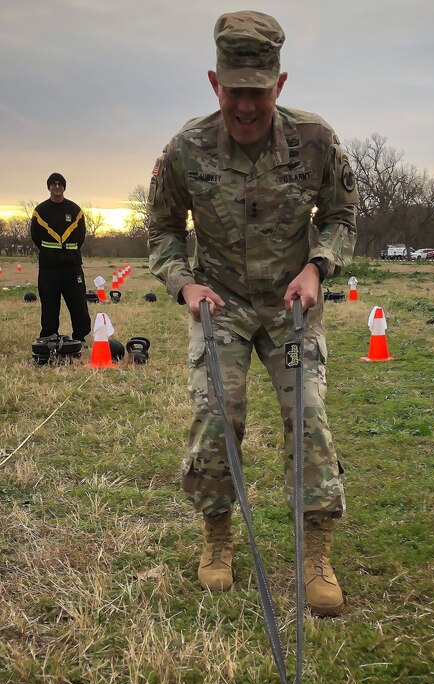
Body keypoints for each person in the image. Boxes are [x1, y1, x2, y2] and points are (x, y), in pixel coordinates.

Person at [148, 10, 358, 617]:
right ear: (214, 83)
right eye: (235, 91)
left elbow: (345, 216)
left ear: (280, 84)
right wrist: (185, 285)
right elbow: (160, 229)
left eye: (258, 93)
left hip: (292, 303)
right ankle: (217, 536)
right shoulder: (185, 149)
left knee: (308, 419)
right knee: (217, 416)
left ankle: (316, 549)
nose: (246, 106)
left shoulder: (315, 139)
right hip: (222, 306)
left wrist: (316, 268)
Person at [30, 173, 91, 343]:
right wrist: (52, 253)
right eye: (53, 184)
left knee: (78, 303)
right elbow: (36, 236)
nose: (57, 186)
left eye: (60, 184)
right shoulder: (40, 211)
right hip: (49, 266)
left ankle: (80, 337)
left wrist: (68, 253)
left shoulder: (75, 210)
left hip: (71, 265)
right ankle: (49, 336)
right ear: (49, 187)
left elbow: (80, 237)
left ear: (64, 187)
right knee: (50, 304)